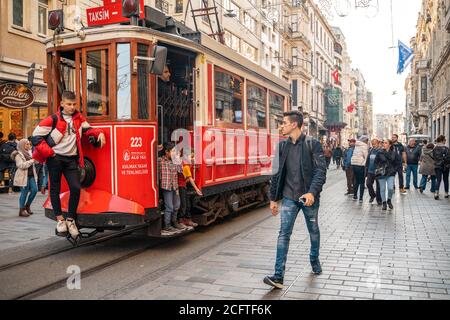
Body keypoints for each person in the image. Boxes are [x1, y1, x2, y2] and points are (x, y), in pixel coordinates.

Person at [264, 111, 327, 289]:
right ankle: (278, 277)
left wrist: (312, 193)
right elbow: (276, 174)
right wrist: (273, 199)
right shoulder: (282, 146)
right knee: (284, 234)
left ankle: (314, 260)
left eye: (283, 123)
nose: (281, 126)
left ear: (294, 125)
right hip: (289, 198)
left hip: (308, 199)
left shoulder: (312, 144)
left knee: (313, 231)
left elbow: (320, 171)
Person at [31, 91, 106, 238]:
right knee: (55, 189)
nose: (72, 107)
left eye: (74, 104)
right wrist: (50, 153)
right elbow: (35, 136)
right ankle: (60, 220)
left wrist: (100, 133)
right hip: (55, 159)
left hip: (71, 160)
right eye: (69, 104)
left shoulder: (78, 118)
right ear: (62, 104)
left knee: (76, 188)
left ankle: (70, 220)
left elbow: (89, 129)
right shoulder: (52, 119)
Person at [158, 142, 185, 235]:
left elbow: (180, 171)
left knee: (177, 205)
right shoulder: (160, 160)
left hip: (175, 186)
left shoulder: (175, 161)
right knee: (169, 206)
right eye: (172, 151)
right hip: (166, 187)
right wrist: (158, 149)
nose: (174, 153)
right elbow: (151, 159)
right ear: (166, 152)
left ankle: (174, 222)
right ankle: (167, 225)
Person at [11, 139, 39, 217]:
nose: (28, 146)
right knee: (24, 192)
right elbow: (21, 165)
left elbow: (35, 162)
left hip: (31, 176)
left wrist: (36, 159)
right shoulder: (18, 155)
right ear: (22, 145)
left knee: (35, 190)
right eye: (26, 144)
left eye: (29, 144)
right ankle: (21, 210)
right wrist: (32, 161)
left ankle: (27, 206)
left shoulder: (29, 153)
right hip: (23, 176)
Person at [176, 151, 202, 228]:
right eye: (191, 157)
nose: (193, 159)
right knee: (183, 204)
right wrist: (197, 189)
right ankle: (181, 220)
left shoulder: (186, 164)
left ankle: (187, 219)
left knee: (187, 204)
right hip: (180, 186)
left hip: (183, 186)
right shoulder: (186, 166)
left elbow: (187, 178)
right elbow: (189, 179)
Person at [375, 139, 401, 211]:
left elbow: (398, 163)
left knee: (390, 188)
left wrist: (394, 170)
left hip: (390, 173)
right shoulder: (379, 152)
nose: (384, 144)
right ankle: (384, 202)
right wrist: (378, 168)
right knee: (382, 189)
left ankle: (389, 200)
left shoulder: (394, 153)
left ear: (390, 145)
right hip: (382, 173)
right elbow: (375, 162)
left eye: (386, 143)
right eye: (383, 143)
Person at [351, 135, 369, 202]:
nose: (367, 142)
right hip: (360, 165)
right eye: (367, 141)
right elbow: (366, 156)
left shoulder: (357, 145)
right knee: (361, 181)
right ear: (365, 140)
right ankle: (361, 198)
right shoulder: (364, 146)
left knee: (356, 180)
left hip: (354, 164)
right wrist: (365, 164)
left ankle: (355, 196)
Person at [366, 138, 382, 205]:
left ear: (378, 144)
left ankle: (379, 199)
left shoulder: (381, 151)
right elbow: (368, 160)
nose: (373, 145)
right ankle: (372, 195)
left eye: (374, 144)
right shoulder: (371, 150)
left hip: (378, 171)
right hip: (370, 170)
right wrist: (366, 168)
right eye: (372, 144)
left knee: (379, 186)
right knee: (368, 183)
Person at [432, 135, 449, 200]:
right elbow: (448, 158)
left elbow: (433, 157)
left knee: (438, 180)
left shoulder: (435, 148)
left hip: (437, 166)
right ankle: (446, 193)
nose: (445, 141)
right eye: (445, 140)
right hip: (445, 166)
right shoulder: (446, 148)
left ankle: (436, 193)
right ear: (442, 140)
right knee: (446, 180)